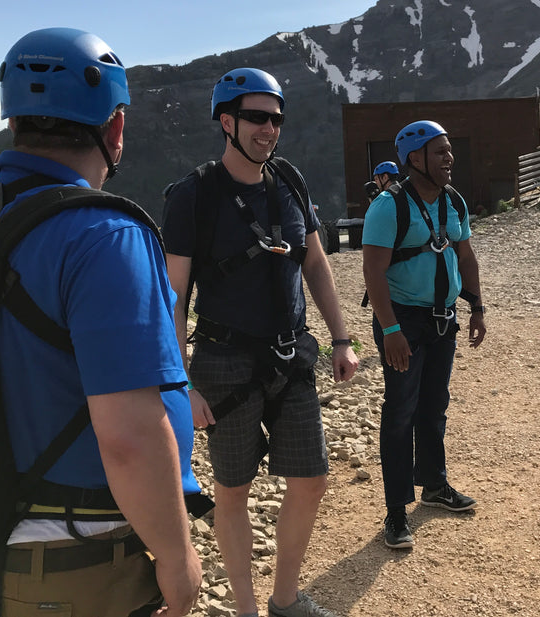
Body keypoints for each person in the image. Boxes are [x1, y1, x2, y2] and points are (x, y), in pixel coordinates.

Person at [0, 27, 203, 617]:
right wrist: (176, 555)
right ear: (113, 129)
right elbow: (129, 436)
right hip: (81, 567)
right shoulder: (105, 236)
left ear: (13, 124)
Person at [161, 68, 358, 617]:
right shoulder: (194, 196)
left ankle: (285, 598)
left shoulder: (290, 182)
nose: (268, 129)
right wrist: (181, 383)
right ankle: (246, 608)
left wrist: (341, 338)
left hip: (290, 354)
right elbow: (174, 297)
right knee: (233, 491)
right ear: (226, 121)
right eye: (255, 118)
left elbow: (314, 263)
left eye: (275, 119)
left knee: (312, 480)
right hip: (222, 364)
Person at [361, 120, 487, 550]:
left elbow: (465, 256)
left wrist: (477, 306)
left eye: (450, 151)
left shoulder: (453, 201)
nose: (450, 159)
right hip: (403, 322)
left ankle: (434, 484)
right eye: (440, 152)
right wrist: (391, 329)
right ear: (415, 159)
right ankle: (397, 509)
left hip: (442, 318)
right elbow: (373, 271)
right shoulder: (388, 205)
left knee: (434, 405)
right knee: (400, 410)